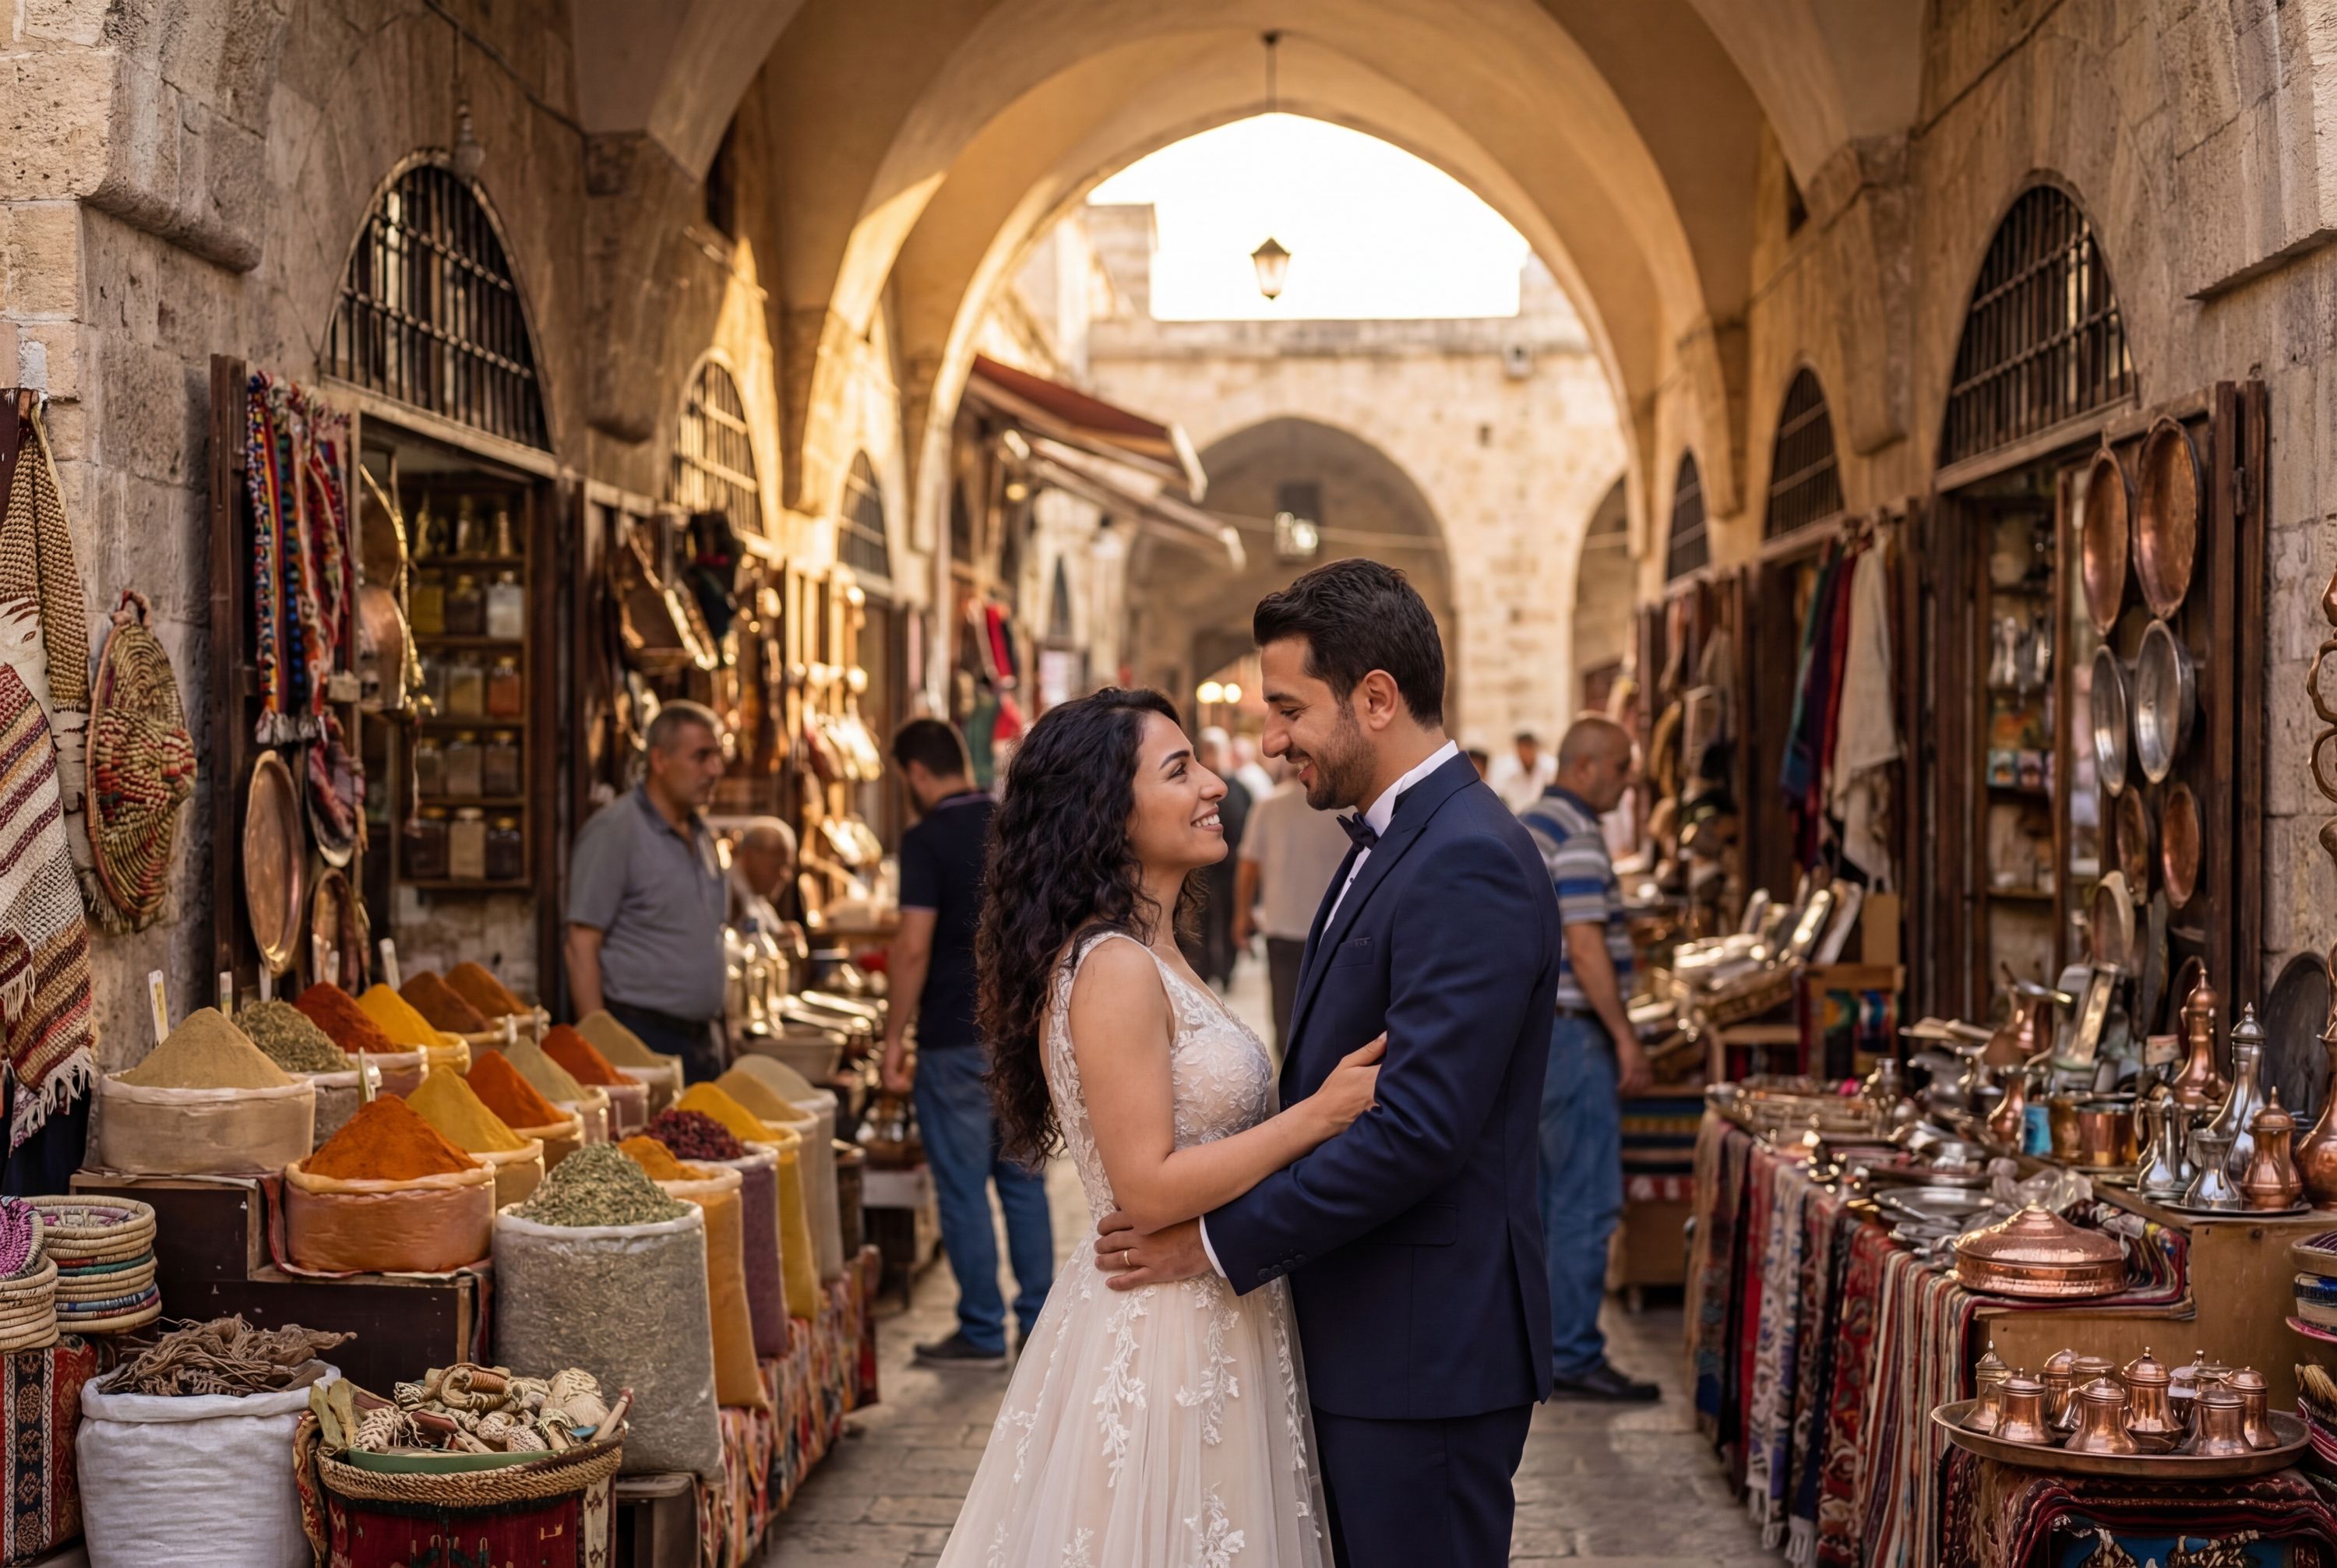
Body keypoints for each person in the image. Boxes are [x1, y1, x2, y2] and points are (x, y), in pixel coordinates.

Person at [1098, 559, 1561, 1568]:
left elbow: (1417, 1130)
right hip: (1375, 1342)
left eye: (1289, 708)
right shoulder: (1393, 838)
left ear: (1377, 698)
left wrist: (1214, 1246)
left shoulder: (1465, 857)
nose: (1269, 741)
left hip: (1422, 1356)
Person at [936, 688, 1381, 1566]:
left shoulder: (1156, 952)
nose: (1216, 784)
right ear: (1107, 809)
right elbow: (1144, 1187)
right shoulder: (1114, 968)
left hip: (1214, 1307)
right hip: (1163, 1328)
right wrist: (1317, 1117)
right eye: (1180, 770)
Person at [877, 718, 1054, 1366]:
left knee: (962, 1185)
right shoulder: (1015, 822)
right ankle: (1039, 1324)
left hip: (953, 1033)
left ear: (917, 773)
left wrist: (894, 1037)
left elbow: (914, 944)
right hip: (1019, 1030)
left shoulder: (926, 840)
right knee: (1023, 1180)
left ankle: (981, 1329)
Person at [1519, 716, 1659, 1403]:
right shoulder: (1575, 834)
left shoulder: (1532, 821)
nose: (1631, 779)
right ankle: (1571, 1351)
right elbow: (1586, 945)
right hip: (1574, 1035)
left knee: (1548, 1199)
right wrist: (1626, 1036)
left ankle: (1544, 1343)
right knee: (1583, 1200)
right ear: (1587, 767)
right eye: (1623, 766)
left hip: (1542, 1036)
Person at [566, 702, 732, 1084]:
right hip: (641, 1037)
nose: (715, 770)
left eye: (717, 756)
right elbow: (580, 946)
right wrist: (601, 1052)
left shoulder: (701, 833)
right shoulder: (615, 831)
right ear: (660, 760)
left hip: (703, 1040)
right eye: (701, 757)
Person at [1235, 759, 1352, 1055]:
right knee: (1333, 1018)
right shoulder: (1347, 806)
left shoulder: (1268, 804)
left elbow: (1248, 866)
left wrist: (1241, 915)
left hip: (1284, 925)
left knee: (1286, 1015)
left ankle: (1293, 1088)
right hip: (1335, 929)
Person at [1179, 725, 1251, 988]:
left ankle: (1226, 970)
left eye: (1214, 751)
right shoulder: (1197, 789)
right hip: (1202, 873)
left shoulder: (1238, 789)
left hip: (1231, 871)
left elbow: (1248, 836)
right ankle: (1205, 970)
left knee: (1229, 919)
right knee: (1203, 922)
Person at [724, 818, 795, 932]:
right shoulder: (725, 896)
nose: (785, 876)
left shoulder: (757, 898)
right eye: (778, 865)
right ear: (749, 857)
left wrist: (782, 938)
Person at [1487, 728, 1557, 813]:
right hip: (1515, 819)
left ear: (1536, 747)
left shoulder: (1551, 768)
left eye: (1529, 746)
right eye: (1523, 747)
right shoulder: (1505, 770)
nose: (1526, 752)